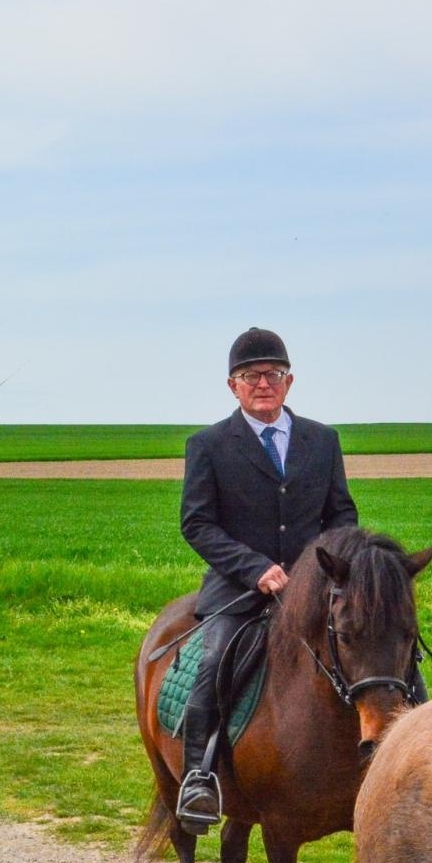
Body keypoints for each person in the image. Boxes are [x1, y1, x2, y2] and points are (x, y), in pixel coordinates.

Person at [174, 327, 362, 835]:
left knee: (381, 646)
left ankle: (412, 751)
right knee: (213, 661)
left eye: (273, 374)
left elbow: (341, 515)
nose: (263, 383)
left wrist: (318, 568)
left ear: (289, 381)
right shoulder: (208, 445)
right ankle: (198, 777)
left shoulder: (322, 440)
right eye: (251, 375)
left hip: (314, 586)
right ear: (232, 386)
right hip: (238, 588)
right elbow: (197, 523)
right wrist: (254, 568)